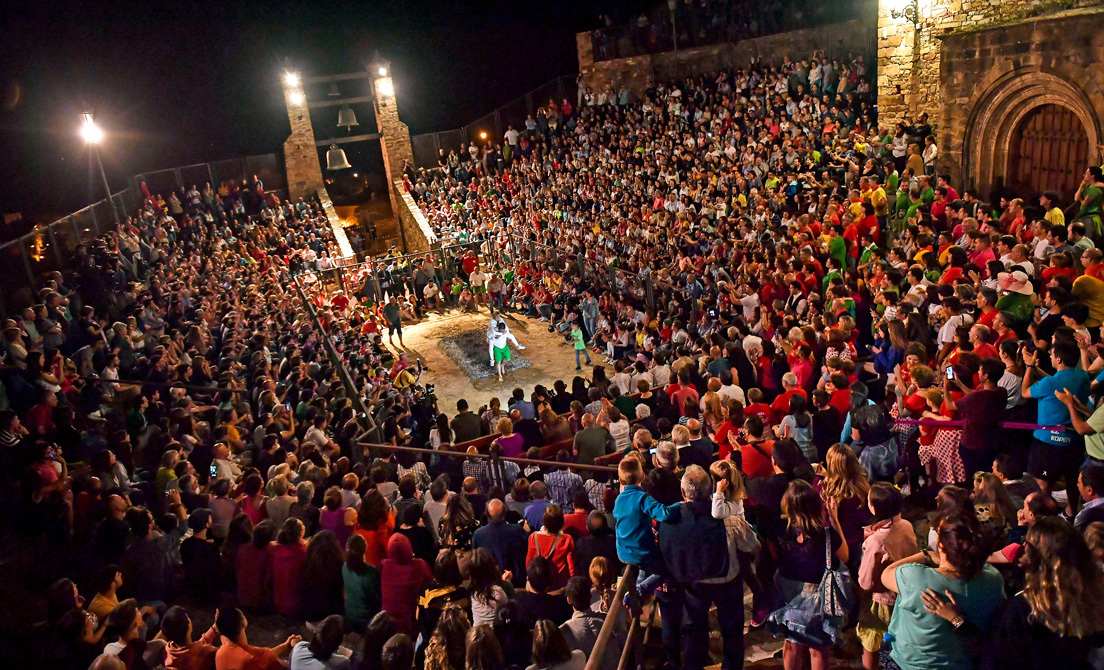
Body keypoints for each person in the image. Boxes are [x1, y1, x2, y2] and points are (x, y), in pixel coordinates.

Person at [881, 512, 1005, 670]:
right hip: (961, 665)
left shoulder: (914, 578)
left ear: (942, 547)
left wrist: (926, 555)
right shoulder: (993, 579)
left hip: (908, 663)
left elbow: (886, 575)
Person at [979, 517, 1104, 669]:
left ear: (1039, 557)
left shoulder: (1022, 609)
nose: (1023, 546)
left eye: (1027, 542)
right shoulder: (1092, 599)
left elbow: (995, 662)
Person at [657, 465, 739, 670]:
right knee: (732, 629)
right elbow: (750, 544)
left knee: (694, 629)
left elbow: (666, 552)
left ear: (683, 492)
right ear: (710, 489)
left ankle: (694, 665)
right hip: (726, 579)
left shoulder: (669, 520)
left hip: (692, 583)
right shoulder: (726, 515)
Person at [775, 479, 849, 670]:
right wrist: (834, 520)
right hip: (818, 600)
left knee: (791, 644)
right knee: (818, 649)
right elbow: (845, 556)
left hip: (789, 597)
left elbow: (774, 557)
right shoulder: (825, 535)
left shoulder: (780, 530)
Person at [855, 483, 917, 670]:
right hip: (904, 592)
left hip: (880, 600)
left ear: (875, 508)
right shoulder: (906, 525)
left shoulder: (876, 541)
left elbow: (865, 581)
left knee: (872, 640)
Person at [214, 607, 300, 670]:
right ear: (244, 623)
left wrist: (284, 646)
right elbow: (292, 667)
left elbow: (262, 658)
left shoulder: (220, 653)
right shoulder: (255, 659)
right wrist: (298, 648)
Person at [380, 533, 433, 637]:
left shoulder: (384, 565)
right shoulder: (420, 565)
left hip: (388, 626)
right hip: (411, 626)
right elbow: (431, 584)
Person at [472, 498, 528, 585]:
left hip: (488, 583)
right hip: (517, 582)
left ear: (487, 514)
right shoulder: (517, 531)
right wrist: (527, 532)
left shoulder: (478, 535)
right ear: (504, 512)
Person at [526, 505, 577, 590]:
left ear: (545, 520)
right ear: (561, 522)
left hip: (538, 584)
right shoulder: (567, 539)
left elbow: (528, 563)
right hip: (559, 586)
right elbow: (572, 568)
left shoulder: (533, 537)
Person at [158, 605, 218, 670]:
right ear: (189, 625)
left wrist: (214, 627)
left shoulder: (167, 652)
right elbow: (222, 654)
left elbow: (192, 649)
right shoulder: (206, 653)